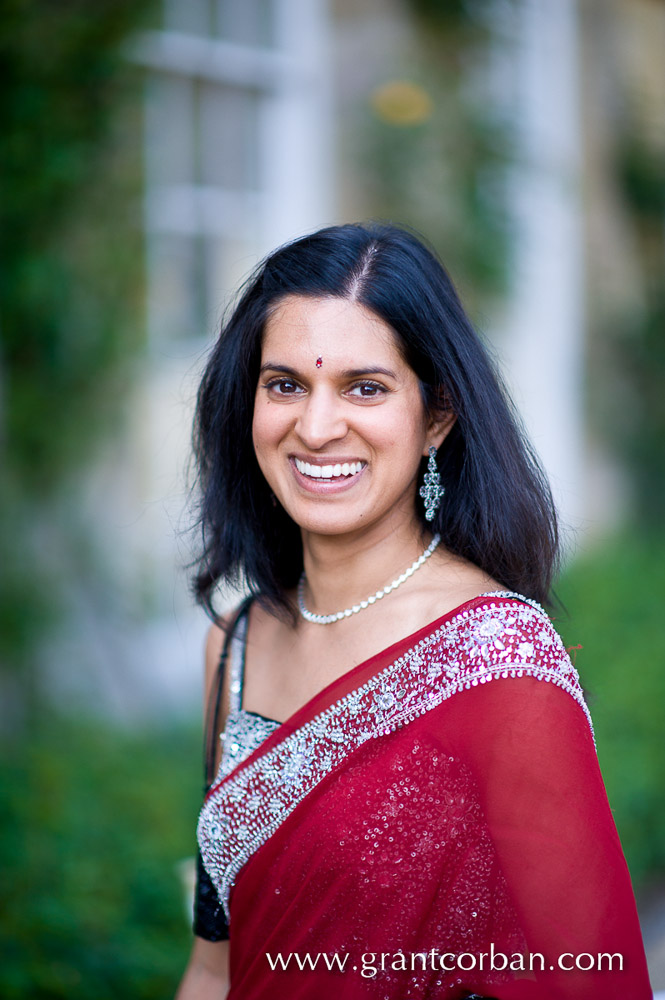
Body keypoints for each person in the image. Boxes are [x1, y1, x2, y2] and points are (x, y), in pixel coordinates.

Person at [176, 223, 652, 999]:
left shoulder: (497, 663)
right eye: (285, 384)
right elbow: (211, 966)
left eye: (364, 388)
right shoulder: (234, 647)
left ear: (436, 418)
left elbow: (587, 978)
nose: (316, 427)